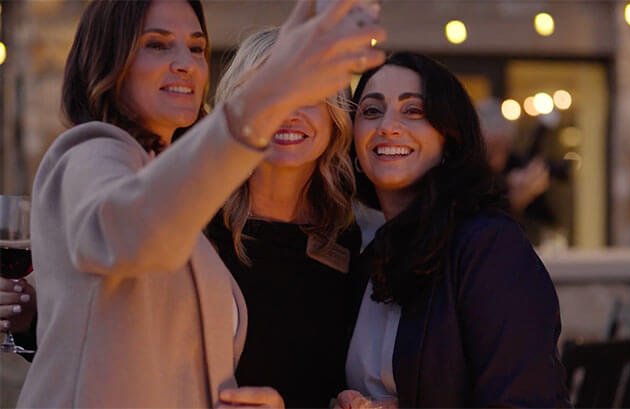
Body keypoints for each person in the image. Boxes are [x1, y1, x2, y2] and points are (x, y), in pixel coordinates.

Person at [15, 0, 385, 407]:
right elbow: (131, 233)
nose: (185, 63)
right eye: (157, 44)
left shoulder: (349, 234)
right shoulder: (91, 152)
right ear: (107, 57)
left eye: (196, 48)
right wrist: (268, 96)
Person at [336, 52, 571, 408]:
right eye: (370, 111)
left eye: (413, 111)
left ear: (449, 138)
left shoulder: (489, 247)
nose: (387, 126)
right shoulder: (366, 254)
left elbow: (526, 401)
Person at [204, 28, 365, 408]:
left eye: (309, 96)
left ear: (335, 114)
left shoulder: (355, 237)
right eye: (270, 95)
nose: (289, 113)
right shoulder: (196, 226)